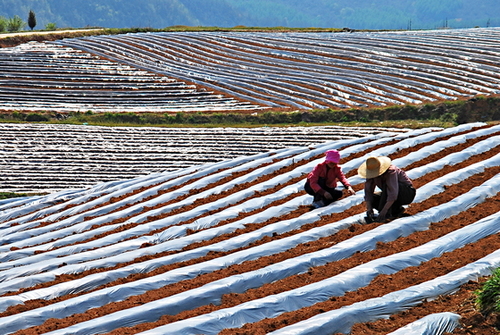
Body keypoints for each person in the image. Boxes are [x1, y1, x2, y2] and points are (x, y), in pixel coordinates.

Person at [357, 156, 416, 222]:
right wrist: (369, 208)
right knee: (374, 198)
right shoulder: (371, 175)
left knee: (386, 187)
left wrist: (384, 211)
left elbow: (393, 193)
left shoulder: (390, 172)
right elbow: (368, 191)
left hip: (406, 193)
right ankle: (396, 210)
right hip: (391, 193)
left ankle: (387, 214)